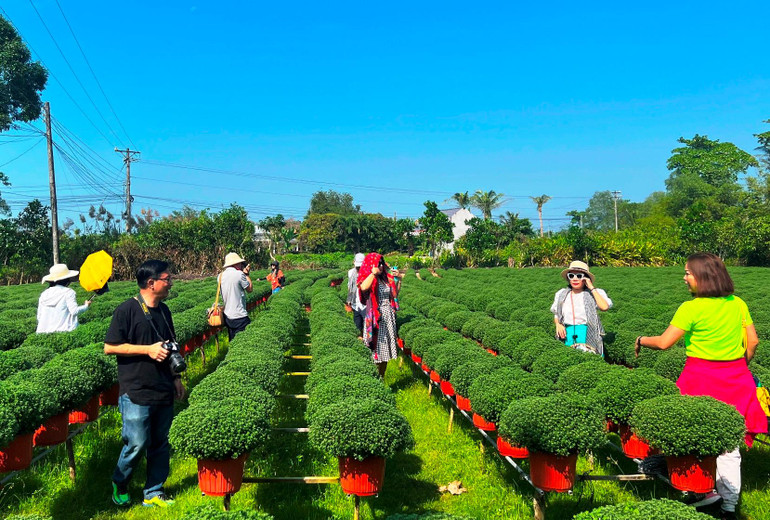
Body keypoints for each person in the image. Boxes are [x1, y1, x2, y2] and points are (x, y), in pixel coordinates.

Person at [635, 253, 767, 520]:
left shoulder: (691, 308)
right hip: (736, 377)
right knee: (731, 444)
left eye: (688, 273)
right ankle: (729, 505)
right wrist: (740, 365)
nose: (684, 278)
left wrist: (640, 339)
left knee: (696, 435)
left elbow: (663, 343)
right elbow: (752, 341)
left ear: (703, 277)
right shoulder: (737, 303)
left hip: (700, 377)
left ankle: (704, 491)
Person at [104, 260, 185, 508]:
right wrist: (147, 350)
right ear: (151, 283)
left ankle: (154, 491)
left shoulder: (165, 311)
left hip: (163, 387)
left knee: (160, 443)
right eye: (167, 279)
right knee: (137, 442)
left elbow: (170, 344)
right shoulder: (127, 310)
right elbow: (110, 347)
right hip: (136, 390)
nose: (170, 283)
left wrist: (177, 378)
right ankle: (120, 480)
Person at [550, 260, 612, 356]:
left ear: (586, 278)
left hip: (588, 332)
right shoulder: (561, 294)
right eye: (571, 276)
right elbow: (557, 313)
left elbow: (604, 307)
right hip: (567, 333)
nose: (575, 279)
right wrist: (558, 324)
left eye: (579, 276)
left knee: (591, 360)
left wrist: (591, 287)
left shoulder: (594, 293)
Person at [357, 253, 399, 377]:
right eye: (378, 264)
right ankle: (373, 378)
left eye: (382, 263)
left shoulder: (385, 279)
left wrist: (398, 279)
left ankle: (382, 377)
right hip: (376, 318)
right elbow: (363, 287)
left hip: (388, 317)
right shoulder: (370, 277)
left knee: (385, 353)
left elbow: (394, 294)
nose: (381, 266)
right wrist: (373, 273)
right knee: (376, 350)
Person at [36, 263, 91, 333]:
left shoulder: (44, 294)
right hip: (65, 331)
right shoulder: (68, 292)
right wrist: (86, 306)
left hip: (43, 333)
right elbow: (74, 311)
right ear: (67, 279)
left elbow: (39, 317)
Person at [220, 252, 253, 341]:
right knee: (244, 342)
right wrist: (246, 274)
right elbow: (249, 289)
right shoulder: (239, 274)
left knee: (233, 341)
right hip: (240, 316)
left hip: (227, 316)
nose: (241, 265)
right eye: (240, 263)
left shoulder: (220, 276)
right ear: (236, 263)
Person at [347, 253, 366, 338]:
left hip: (366, 304)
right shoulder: (351, 273)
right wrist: (350, 299)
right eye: (358, 266)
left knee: (367, 328)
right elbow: (349, 287)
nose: (359, 268)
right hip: (355, 303)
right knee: (357, 327)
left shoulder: (368, 273)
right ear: (354, 262)